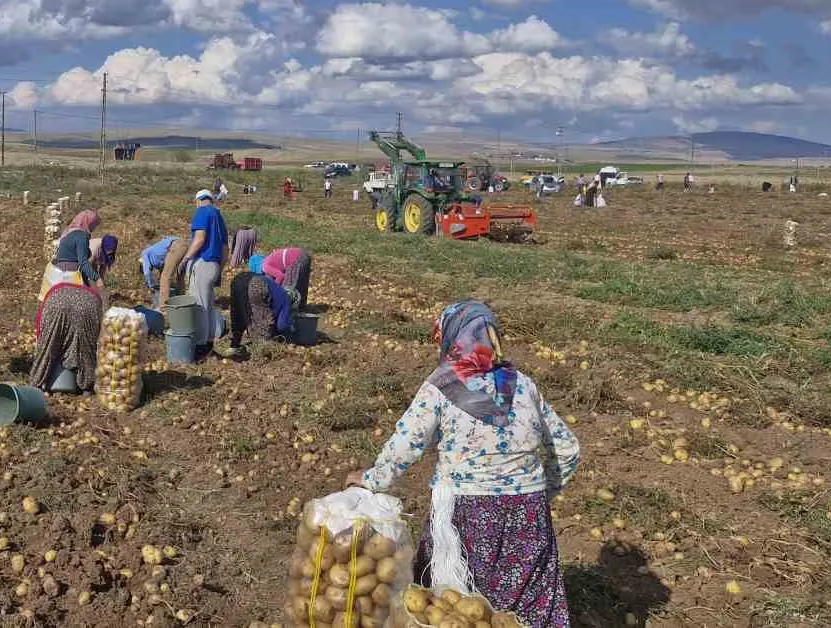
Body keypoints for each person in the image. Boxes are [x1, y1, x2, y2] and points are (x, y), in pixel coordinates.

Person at [346, 301, 580, 628]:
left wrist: (372, 480)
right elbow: (568, 449)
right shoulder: (524, 384)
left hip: (467, 514)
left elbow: (406, 444)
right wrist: (538, 495)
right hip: (529, 513)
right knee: (523, 611)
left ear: (452, 337)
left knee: (453, 605)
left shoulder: (442, 385)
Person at [29, 283, 102, 392]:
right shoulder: (93, 296)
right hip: (90, 304)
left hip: (58, 302)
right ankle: (87, 385)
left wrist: (41, 350)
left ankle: (36, 383)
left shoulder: (52, 295)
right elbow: (96, 338)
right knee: (86, 348)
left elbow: (42, 331)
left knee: (47, 347)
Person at [181, 190, 228, 354]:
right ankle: (209, 343)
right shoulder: (218, 215)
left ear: (199, 200)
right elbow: (225, 248)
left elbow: (199, 238)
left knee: (199, 307)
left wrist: (186, 258)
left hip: (203, 263)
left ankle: (200, 347)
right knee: (208, 305)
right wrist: (219, 269)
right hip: (214, 265)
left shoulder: (202, 212)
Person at [38, 210, 104, 300]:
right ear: (88, 223)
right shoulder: (81, 236)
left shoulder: (68, 232)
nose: (94, 228)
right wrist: (97, 278)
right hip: (69, 276)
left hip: (55, 273)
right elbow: (83, 263)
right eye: (94, 225)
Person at [227, 269, 293, 348]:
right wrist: (291, 330)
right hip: (256, 284)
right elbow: (282, 325)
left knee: (237, 312)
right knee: (263, 320)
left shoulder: (279, 290)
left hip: (239, 280)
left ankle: (234, 344)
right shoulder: (287, 300)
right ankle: (261, 348)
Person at [142, 234, 187, 308]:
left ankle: (163, 308)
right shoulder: (156, 256)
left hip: (176, 245)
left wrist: (151, 285)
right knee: (180, 277)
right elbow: (164, 268)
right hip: (184, 245)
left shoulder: (144, 254)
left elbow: (147, 273)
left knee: (165, 277)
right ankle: (182, 303)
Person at [261, 247, 312, 311]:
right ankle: (302, 308)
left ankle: (287, 313)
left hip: (295, 259)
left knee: (287, 290)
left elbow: (280, 276)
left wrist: (275, 289)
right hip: (304, 255)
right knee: (301, 286)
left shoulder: (265, 267)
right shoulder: (269, 260)